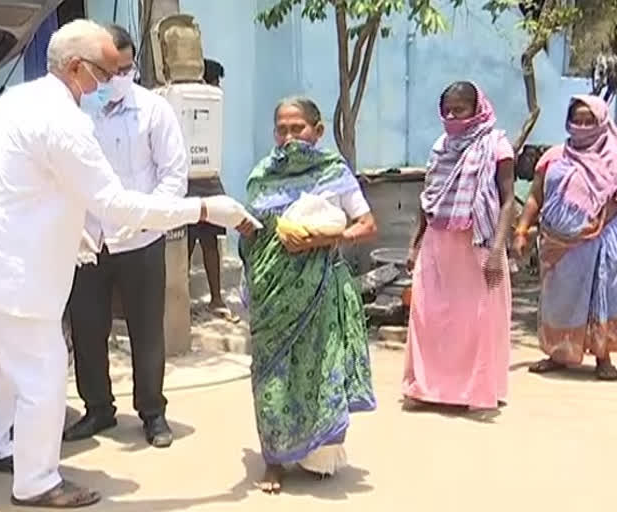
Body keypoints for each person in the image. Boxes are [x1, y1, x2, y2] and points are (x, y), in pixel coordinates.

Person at [0, 20, 258, 508]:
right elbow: (116, 203)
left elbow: (26, 184)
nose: (110, 81)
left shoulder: (21, 100)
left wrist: (78, 232)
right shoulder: (63, 122)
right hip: (12, 274)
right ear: (74, 68)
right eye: (104, 72)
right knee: (43, 379)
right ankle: (38, 482)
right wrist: (207, 209)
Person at [239, 97, 377, 494]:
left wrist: (326, 237)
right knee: (271, 375)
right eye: (281, 129)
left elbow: (366, 224)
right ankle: (275, 460)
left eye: (297, 128)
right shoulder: (262, 175)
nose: (289, 137)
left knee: (319, 367)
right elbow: (255, 234)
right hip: (273, 296)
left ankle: (316, 453)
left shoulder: (334, 173)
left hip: (321, 293)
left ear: (317, 131)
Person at [63, 24, 186, 447]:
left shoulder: (154, 111)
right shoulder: (77, 111)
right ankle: (98, 409)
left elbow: (174, 177)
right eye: (113, 69)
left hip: (141, 239)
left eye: (128, 68)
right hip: (88, 240)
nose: (120, 77)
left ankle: (152, 412)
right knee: (86, 327)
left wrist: (146, 218)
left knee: (147, 329)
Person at [403, 81, 515, 411]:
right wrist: (414, 244)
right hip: (437, 243)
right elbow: (428, 198)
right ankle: (427, 388)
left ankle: (474, 390)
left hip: (477, 243)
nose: (452, 116)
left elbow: (508, 202)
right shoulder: (441, 146)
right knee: (429, 316)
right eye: (447, 110)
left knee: (475, 320)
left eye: (460, 109)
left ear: (477, 108)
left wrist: (496, 250)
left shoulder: (497, 145)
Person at [514, 95, 617, 380]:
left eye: (589, 121)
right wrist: (521, 230)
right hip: (558, 244)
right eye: (577, 120)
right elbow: (536, 196)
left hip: (601, 241)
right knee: (558, 297)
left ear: (602, 122)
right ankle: (558, 353)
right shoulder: (554, 156)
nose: (582, 126)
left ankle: (603, 358)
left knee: (602, 296)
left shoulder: (614, 157)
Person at [186, 58, 238, 322]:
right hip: (187, 184)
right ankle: (182, 301)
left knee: (209, 243)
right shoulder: (187, 102)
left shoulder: (212, 107)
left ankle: (216, 299)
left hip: (209, 181)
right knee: (185, 244)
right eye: (215, 81)